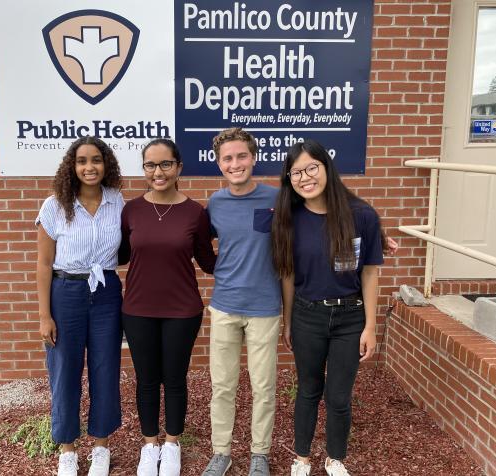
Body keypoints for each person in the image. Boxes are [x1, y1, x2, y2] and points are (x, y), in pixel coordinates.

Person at [271, 139, 384, 476]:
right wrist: (288, 322)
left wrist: (370, 326)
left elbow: (370, 273)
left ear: (326, 167)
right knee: (308, 390)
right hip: (307, 315)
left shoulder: (361, 214)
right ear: (289, 179)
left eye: (311, 168)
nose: (305, 177)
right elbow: (287, 276)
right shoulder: (289, 218)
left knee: (338, 396)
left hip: (350, 318)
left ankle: (335, 458)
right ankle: (301, 458)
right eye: (296, 172)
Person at [119, 138, 216, 476]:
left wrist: (255, 249)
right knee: (146, 380)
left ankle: (172, 444)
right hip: (138, 309)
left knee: (174, 379)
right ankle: (150, 445)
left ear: (179, 168)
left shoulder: (195, 212)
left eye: (165, 164)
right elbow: (115, 255)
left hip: (182, 310)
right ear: (143, 169)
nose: (157, 172)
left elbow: (208, 260)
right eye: (150, 165)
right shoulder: (131, 210)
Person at [36, 136, 124, 476]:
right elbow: (44, 264)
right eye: (83, 161)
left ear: (106, 165)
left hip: (106, 293)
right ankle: (68, 449)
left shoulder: (117, 201)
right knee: (65, 371)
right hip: (66, 292)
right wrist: (45, 315)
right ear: (72, 166)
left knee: (105, 368)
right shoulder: (55, 205)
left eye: (97, 160)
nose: (90, 167)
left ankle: (100, 446)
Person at [202, 128, 282, 476]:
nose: (235, 164)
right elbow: (196, 245)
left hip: (265, 307)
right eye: (228, 159)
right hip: (224, 306)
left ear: (254, 157)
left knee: (263, 386)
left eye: (241, 156)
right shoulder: (215, 204)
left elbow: (322, 216)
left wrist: (373, 231)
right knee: (222, 385)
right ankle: (222, 452)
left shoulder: (277, 198)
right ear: (219, 163)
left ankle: (259, 454)